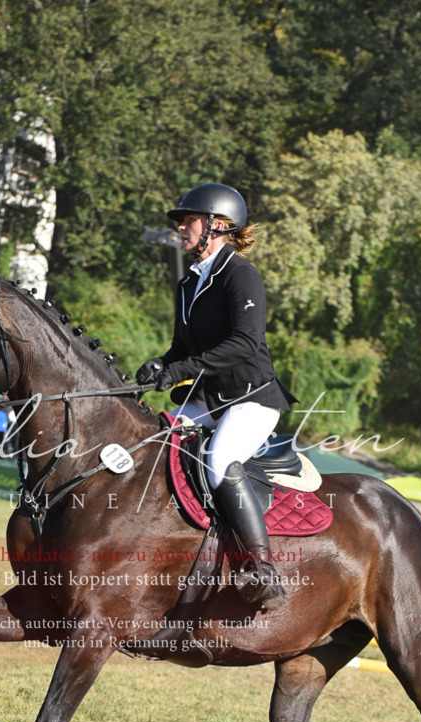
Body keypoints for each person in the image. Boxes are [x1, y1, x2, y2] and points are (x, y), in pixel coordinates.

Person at [136, 182, 296, 609]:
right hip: (210, 399)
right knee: (156, 444)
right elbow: (182, 348)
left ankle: (262, 572)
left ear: (216, 225)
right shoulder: (188, 283)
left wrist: (180, 370)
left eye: (188, 220)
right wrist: (159, 365)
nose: (181, 228)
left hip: (252, 397)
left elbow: (245, 344)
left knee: (220, 460)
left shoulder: (240, 275)